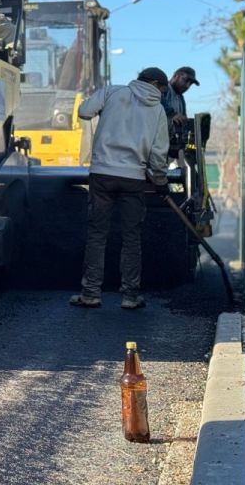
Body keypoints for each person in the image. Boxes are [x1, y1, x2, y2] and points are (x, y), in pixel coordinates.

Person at [69, 67, 170, 310]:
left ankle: (91, 293)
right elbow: (158, 153)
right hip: (134, 177)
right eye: (162, 90)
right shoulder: (157, 110)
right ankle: (130, 296)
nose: (162, 95)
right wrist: (160, 182)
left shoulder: (112, 92)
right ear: (156, 83)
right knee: (131, 237)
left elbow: (84, 112)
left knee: (97, 234)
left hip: (102, 173)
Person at [162, 66, 200, 161]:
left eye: (190, 83)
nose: (187, 85)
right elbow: (156, 103)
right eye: (185, 80)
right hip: (157, 145)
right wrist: (171, 114)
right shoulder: (163, 89)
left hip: (171, 147)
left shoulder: (180, 98)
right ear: (176, 76)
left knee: (193, 151)